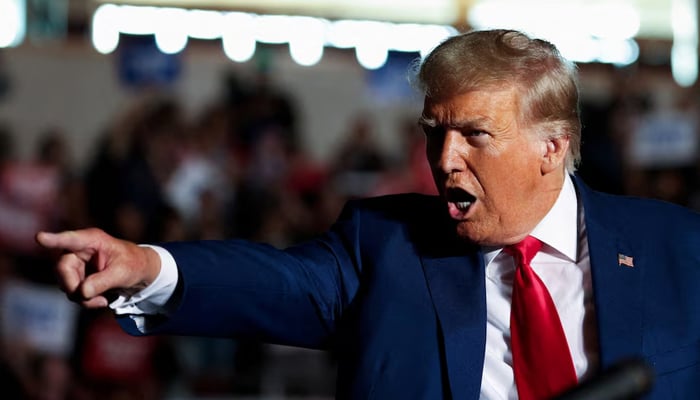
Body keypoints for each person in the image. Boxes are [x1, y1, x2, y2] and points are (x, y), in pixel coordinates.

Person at [36, 29, 700, 399]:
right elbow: (274, 283)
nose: (444, 159)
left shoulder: (675, 247)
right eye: (433, 132)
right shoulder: (386, 246)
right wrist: (146, 264)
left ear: (550, 147)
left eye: (474, 134)